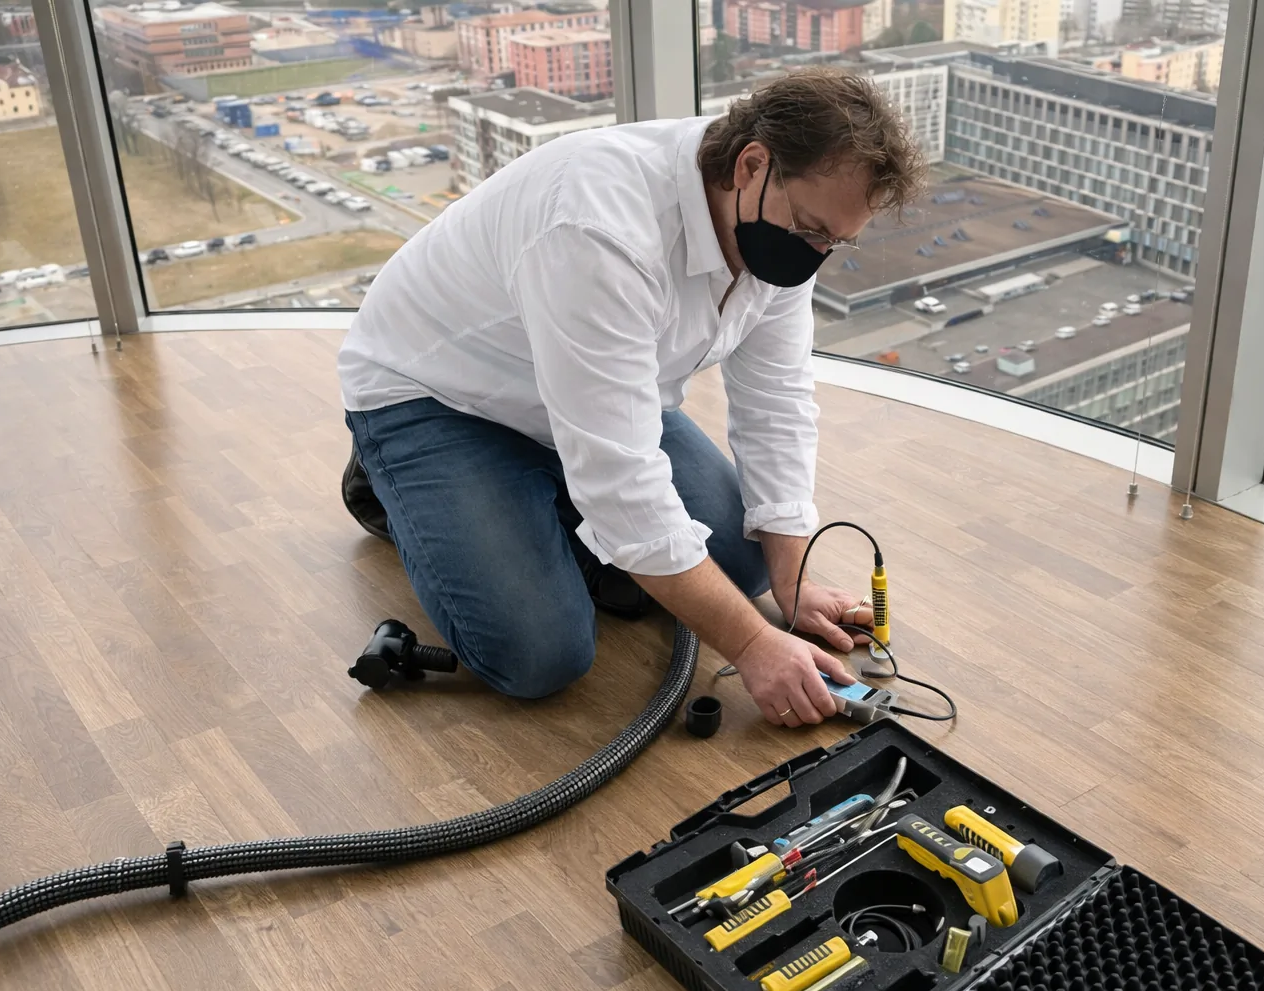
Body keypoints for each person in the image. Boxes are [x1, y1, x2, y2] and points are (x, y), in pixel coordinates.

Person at [337, 68, 927, 727]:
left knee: (741, 559)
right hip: (440, 397)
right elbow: (622, 486)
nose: (815, 255)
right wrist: (755, 643)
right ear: (753, 163)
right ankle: (389, 483)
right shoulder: (600, 227)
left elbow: (777, 405)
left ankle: (540, 499)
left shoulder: (780, 217)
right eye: (813, 230)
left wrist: (790, 588)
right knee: (539, 656)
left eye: (835, 243)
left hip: (590, 396)